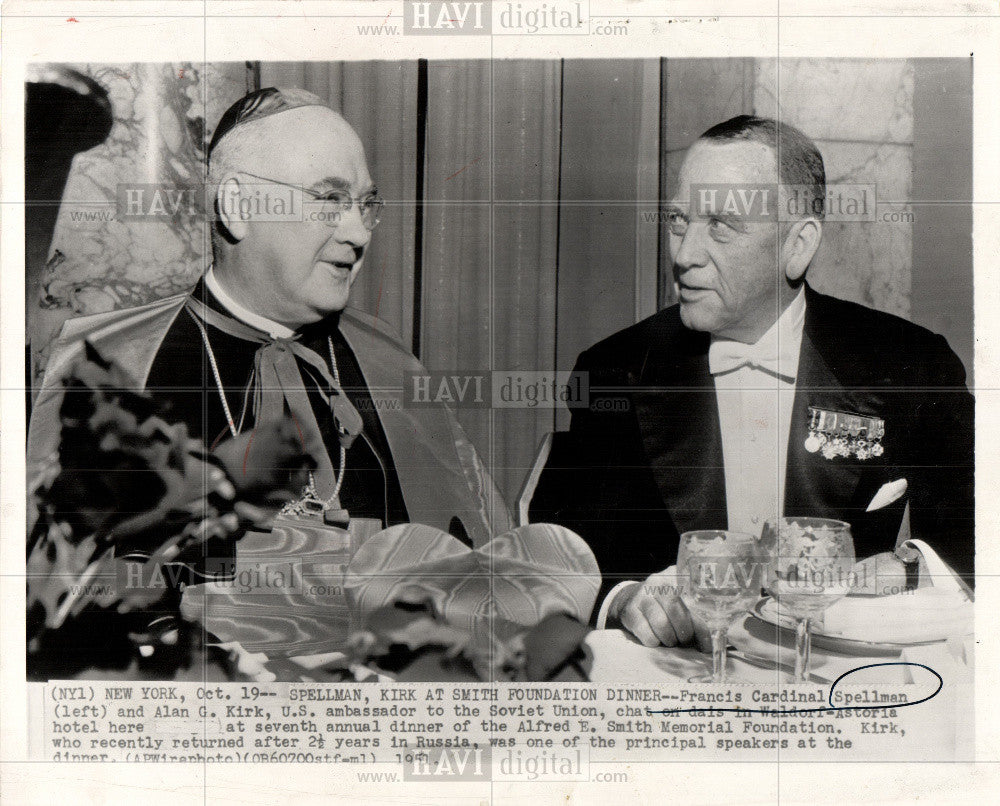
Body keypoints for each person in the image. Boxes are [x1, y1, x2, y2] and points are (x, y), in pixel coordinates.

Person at [530, 114, 974, 647]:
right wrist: (625, 598)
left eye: (721, 225)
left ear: (798, 245)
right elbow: (556, 551)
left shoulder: (911, 367)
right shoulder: (614, 370)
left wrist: (909, 567)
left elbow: (978, 540)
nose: (684, 254)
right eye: (679, 222)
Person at [28, 87, 511, 549]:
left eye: (366, 205)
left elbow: (484, 551)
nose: (359, 232)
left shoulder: (385, 355)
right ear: (238, 208)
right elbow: (55, 590)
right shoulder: (107, 368)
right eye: (329, 201)